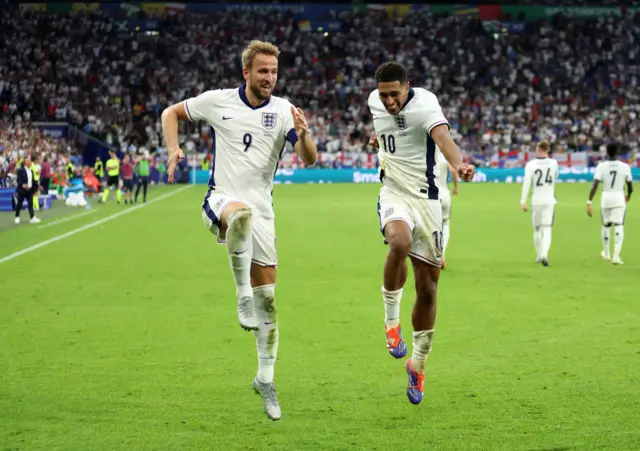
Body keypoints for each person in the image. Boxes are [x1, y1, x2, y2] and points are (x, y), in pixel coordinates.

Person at [161, 40, 317, 420]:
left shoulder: (284, 111)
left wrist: (306, 133)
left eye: (274, 72)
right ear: (246, 72)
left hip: (264, 212)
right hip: (221, 199)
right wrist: (172, 148)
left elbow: (309, 160)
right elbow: (170, 113)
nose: (269, 78)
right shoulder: (219, 101)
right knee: (240, 216)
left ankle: (265, 379)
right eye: (262, 71)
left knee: (270, 303)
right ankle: (241, 294)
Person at [367, 62, 474, 405]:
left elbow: (443, 139)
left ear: (408, 85)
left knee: (427, 290)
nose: (388, 101)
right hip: (394, 192)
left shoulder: (426, 103)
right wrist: (379, 141)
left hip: (428, 200)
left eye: (394, 94)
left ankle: (418, 365)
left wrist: (459, 164)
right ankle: (391, 325)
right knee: (399, 241)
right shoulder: (374, 101)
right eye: (383, 94)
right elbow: (388, 131)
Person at [587, 142, 633, 264]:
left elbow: (594, 186)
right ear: (618, 152)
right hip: (619, 197)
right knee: (619, 225)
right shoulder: (625, 167)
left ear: (606, 152)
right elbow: (630, 185)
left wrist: (589, 201)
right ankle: (616, 256)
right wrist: (629, 195)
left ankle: (606, 253)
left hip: (606, 198)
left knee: (606, 225)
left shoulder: (601, 167)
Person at [520, 140, 558, 266]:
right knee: (547, 228)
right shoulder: (554, 163)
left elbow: (527, 183)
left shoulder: (531, 164)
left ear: (538, 149)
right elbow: (555, 178)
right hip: (549, 199)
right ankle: (544, 254)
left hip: (536, 199)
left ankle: (538, 255)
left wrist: (523, 200)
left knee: (536, 229)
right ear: (548, 150)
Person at [435, 150, 459, 269]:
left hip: (430, 195)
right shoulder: (445, 156)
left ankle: (429, 255)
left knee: (430, 225)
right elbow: (453, 170)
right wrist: (455, 187)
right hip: (444, 193)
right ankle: (442, 254)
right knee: (445, 224)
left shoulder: (424, 155)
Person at [14, 153, 41, 224]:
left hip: (29, 190)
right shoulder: (20, 170)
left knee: (30, 204)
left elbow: (33, 181)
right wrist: (23, 185)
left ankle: (32, 217)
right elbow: (18, 180)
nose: (30, 162)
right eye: (29, 160)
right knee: (19, 203)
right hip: (22, 190)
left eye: (30, 161)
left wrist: (38, 186)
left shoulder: (31, 171)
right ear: (25, 162)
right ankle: (17, 217)